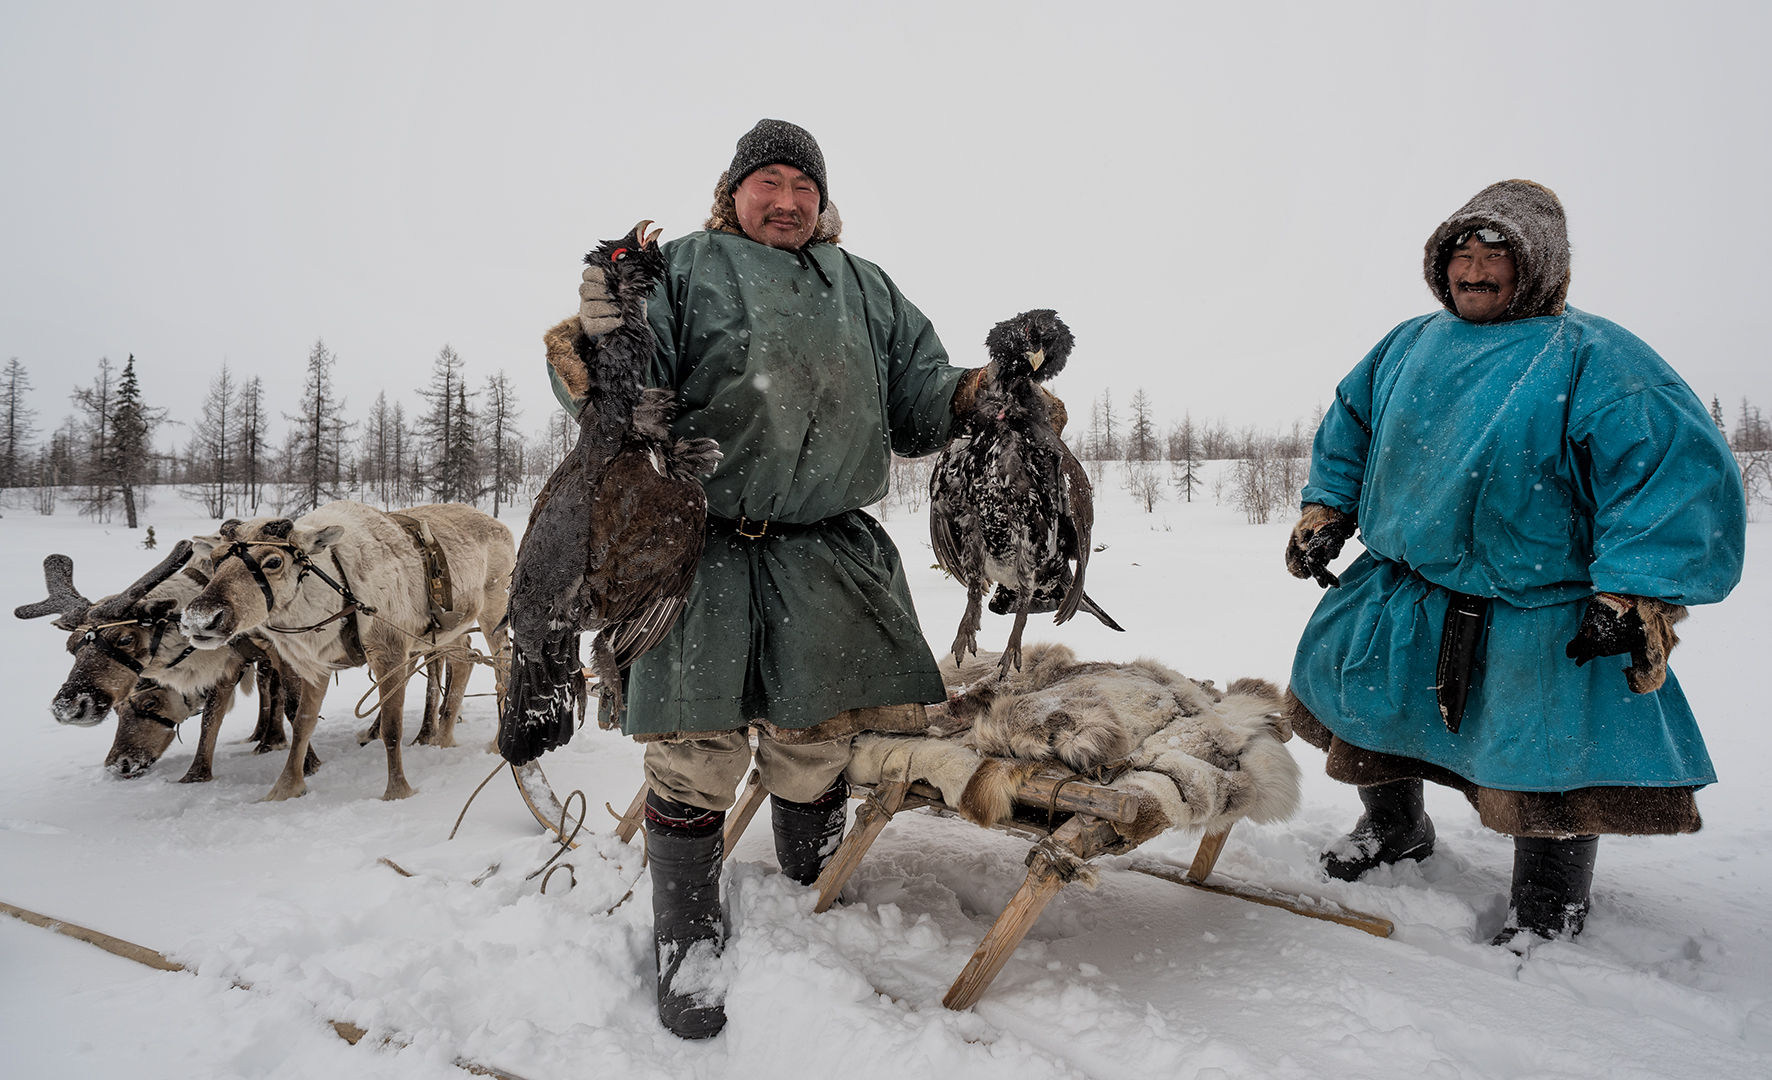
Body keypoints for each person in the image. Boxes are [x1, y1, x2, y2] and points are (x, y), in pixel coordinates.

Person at [546, 119, 993, 1038]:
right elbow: (624, 392)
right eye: (768, 182)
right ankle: (689, 940)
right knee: (696, 747)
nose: (787, 200)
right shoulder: (683, 268)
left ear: (823, 200)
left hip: (823, 546)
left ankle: (807, 874)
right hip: (693, 543)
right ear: (732, 190)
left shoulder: (866, 287)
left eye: (803, 186)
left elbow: (919, 402)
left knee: (817, 736)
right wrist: (593, 347)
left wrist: (985, 390)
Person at [1282, 179, 1746, 949]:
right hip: (1406, 588)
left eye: (1493, 256)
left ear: (1537, 268)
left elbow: (1667, 471)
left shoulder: (1595, 357)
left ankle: (1546, 906)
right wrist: (1328, 506)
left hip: (1539, 609)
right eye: (1459, 254)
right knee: (1364, 708)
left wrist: (1633, 592)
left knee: (1549, 760)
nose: (1472, 270)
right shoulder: (1409, 343)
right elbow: (1351, 426)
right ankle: (1396, 833)